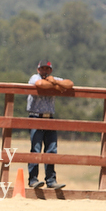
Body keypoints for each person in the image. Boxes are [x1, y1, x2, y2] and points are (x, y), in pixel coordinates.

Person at [26, 60, 74, 189]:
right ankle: (33, 180)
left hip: (49, 117)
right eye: (42, 68)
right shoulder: (34, 77)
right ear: (38, 70)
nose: (45, 71)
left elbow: (70, 84)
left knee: (51, 149)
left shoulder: (54, 79)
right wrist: (55, 85)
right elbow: (40, 84)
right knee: (36, 149)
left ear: (51, 70)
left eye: (47, 69)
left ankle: (51, 180)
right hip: (36, 116)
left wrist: (55, 82)